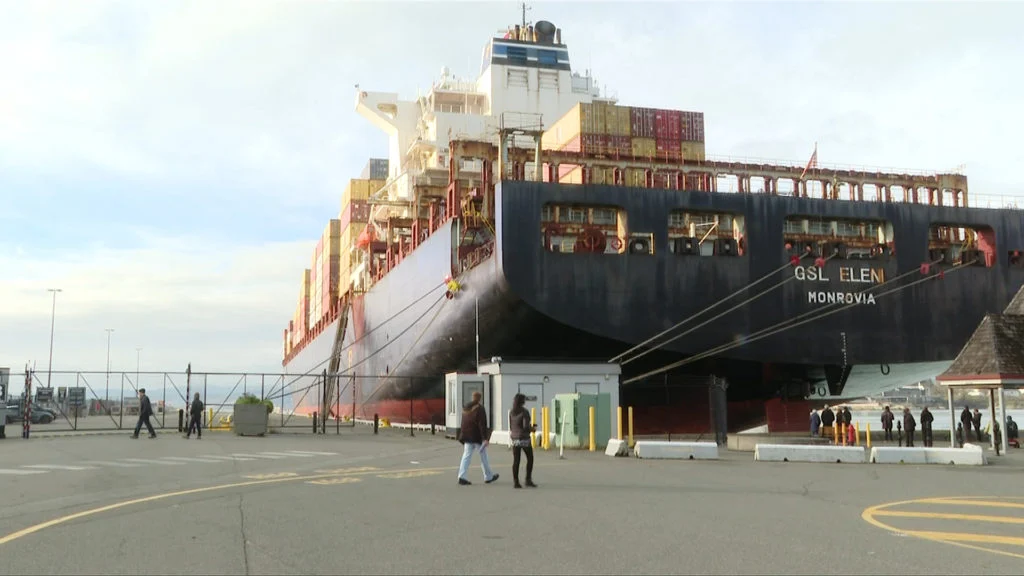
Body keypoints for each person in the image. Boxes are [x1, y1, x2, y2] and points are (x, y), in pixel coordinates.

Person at [456, 391, 498, 486]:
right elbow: (482, 424)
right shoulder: (480, 408)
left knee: (466, 456)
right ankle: (488, 476)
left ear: (472, 397)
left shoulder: (466, 408)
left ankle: (462, 476)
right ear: (480, 399)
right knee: (483, 456)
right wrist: (485, 438)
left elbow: (463, 423)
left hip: (467, 436)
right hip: (477, 436)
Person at [508, 393, 538, 489]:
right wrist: (532, 429)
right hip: (524, 438)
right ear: (522, 401)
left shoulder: (512, 412)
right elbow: (525, 426)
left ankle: (516, 482)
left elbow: (511, 425)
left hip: (514, 438)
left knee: (516, 460)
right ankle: (528, 479)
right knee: (530, 458)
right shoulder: (524, 412)